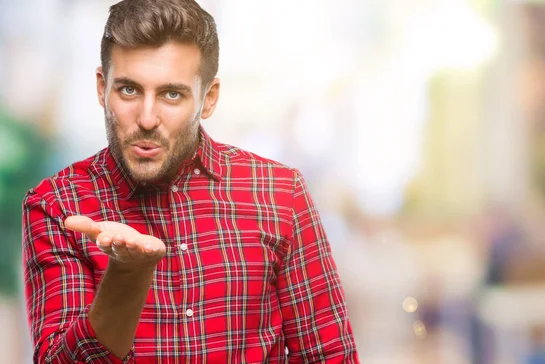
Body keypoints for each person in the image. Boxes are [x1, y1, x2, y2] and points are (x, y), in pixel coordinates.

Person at [21, 0, 359, 362]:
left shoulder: (279, 194)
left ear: (208, 98)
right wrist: (126, 277)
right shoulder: (57, 206)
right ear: (102, 87)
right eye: (129, 90)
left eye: (171, 94)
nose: (147, 118)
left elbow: (329, 355)